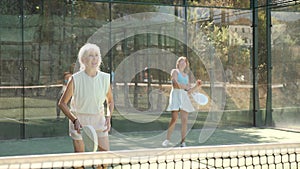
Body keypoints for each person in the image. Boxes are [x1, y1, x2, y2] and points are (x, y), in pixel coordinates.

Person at [58, 43, 114, 156]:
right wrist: (75, 120)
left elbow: (110, 101)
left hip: (99, 121)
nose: (95, 58)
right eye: (91, 55)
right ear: (83, 60)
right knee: (80, 160)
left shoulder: (105, 78)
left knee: (104, 159)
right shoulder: (75, 79)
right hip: (79, 122)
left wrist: (108, 117)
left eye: (97, 55)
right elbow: (62, 103)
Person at [162, 56, 201, 147]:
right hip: (175, 96)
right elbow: (175, 85)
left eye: (185, 62)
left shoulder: (186, 76)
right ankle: (167, 140)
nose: (183, 63)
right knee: (174, 119)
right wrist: (185, 86)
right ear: (178, 63)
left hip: (184, 97)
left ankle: (183, 142)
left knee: (184, 120)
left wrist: (196, 86)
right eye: (181, 62)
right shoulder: (174, 71)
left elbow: (189, 91)